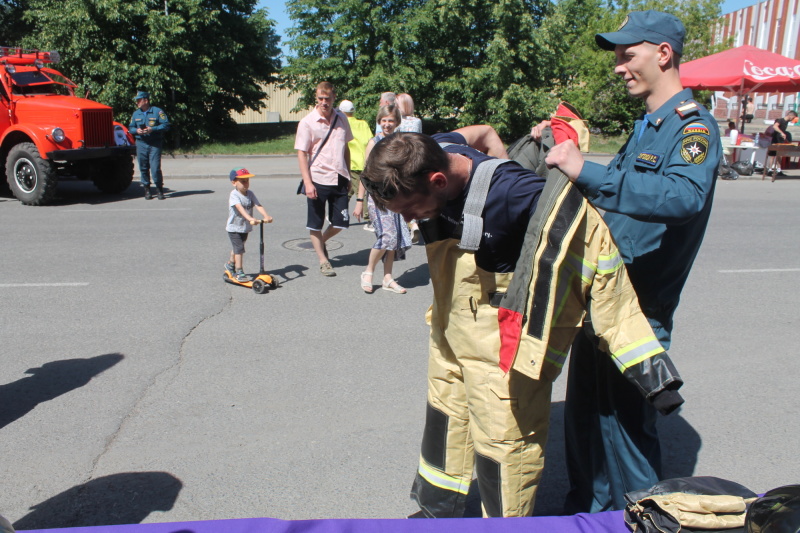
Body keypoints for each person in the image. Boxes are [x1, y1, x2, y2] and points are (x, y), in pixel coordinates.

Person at [362, 128, 685, 518]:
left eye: (412, 209)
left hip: (504, 351)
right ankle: (438, 517)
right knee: (445, 430)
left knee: (505, 453)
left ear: (438, 180)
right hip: (450, 334)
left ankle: (506, 530)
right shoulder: (431, 150)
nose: (410, 221)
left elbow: (600, 263)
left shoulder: (518, 194)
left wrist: (650, 371)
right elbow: (480, 132)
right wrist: (499, 150)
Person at [544, 10, 720, 514]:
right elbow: (621, 204)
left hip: (639, 311)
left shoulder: (693, 127)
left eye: (628, 54)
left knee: (624, 431)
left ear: (663, 54)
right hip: (603, 297)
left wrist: (590, 174)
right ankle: (588, 513)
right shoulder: (648, 125)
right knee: (584, 418)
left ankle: (645, 519)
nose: (618, 65)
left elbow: (683, 197)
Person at [295, 81, 353, 277]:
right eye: (320, 99)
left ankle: (321, 242)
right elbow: (302, 154)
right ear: (316, 98)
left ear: (333, 98)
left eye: (327, 99)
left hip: (339, 178)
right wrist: (308, 183)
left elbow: (346, 148)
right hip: (317, 179)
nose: (324, 102)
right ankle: (323, 260)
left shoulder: (342, 119)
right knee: (315, 224)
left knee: (341, 222)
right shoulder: (307, 122)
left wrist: (349, 174)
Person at [352, 105, 412, 294]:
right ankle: (368, 272)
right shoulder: (374, 142)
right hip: (378, 196)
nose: (387, 124)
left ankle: (388, 278)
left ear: (397, 122)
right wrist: (359, 200)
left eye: (391, 120)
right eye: (384, 120)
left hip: (396, 196)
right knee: (387, 236)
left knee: (394, 237)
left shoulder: (400, 142)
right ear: (379, 122)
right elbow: (365, 173)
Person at [225, 167, 272, 282]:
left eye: (247, 180)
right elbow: (239, 208)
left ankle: (230, 264)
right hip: (234, 227)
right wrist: (250, 218)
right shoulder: (234, 195)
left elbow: (258, 205)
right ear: (234, 182)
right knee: (239, 249)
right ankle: (239, 271)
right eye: (243, 181)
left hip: (245, 227)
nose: (246, 183)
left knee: (238, 248)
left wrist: (266, 216)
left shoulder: (250, 194)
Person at [128, 90, 170, 200]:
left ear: (146, 100)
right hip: (141, 143)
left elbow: (166, 125)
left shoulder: (157, 111)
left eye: (139, 100)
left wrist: (153, 129)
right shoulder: (136, 113)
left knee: (155, 167)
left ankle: (159, 189)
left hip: (154, 143)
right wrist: (137, 131)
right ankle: (147, 189)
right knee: (143, 167)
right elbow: (130, 128)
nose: (137, 102)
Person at [339, 100, 373, 199]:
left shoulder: (342, 124)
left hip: (350, 163)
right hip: (363, 163)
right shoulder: (363, 124)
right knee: (351, 190)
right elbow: (370, 140)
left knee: (359, 193)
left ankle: (367, 214)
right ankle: (340, 211)